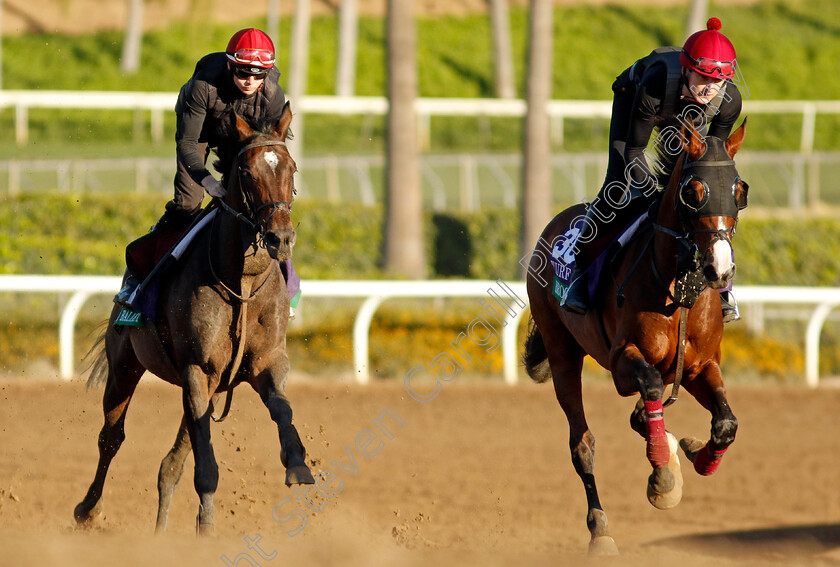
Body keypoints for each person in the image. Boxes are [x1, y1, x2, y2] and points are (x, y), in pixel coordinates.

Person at [563, 17, 742, 322]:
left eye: (718, 82)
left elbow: (710, 166)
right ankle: (580, 271)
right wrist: (654, 194)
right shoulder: (655, 85)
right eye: (702, 78)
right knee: (618, 187)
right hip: (636, 100)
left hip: (684, 118)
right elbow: (634, 151)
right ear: (686, 69)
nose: (710, 88)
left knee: (708, 204)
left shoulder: (728, 102)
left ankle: (722, 290)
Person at [115, 28, 301, 317]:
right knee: (188, 203)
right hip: (200, 133)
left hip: (244, 137)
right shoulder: (202, 87)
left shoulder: (273, 96)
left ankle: (287, 284)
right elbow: (188, 143)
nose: (250, 81)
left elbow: (272, 146)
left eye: (258, 75)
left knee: (265, 203)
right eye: (242, 73)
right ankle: (141, 279)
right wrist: (208, 182)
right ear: (229, 65)